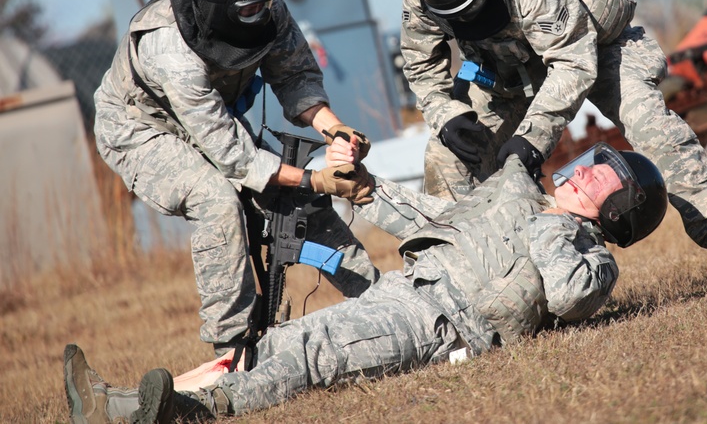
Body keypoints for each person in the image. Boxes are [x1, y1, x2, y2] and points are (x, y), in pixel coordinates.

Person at [64, 142, 668, 422]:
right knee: (273, 345)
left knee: (314, 357)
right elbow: (434, 224)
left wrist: (556, 222)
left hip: (442, 323)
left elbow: (566, 296)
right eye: (592, 166)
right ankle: (116, 407)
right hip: (407, 289)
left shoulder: (591, 259)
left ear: (620, 214)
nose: (584, 175)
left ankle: (194, 412)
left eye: (601, 183)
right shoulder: (523, 201)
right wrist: (368, 188)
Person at [400, 0, 707, 296]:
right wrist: (447, 115)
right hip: (507, 69)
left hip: (595, 47)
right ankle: (462, 288)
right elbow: (420, 63)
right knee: (446, 155)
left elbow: (573, 64)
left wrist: (531, 138)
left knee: (654, 126)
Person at [93, 0, 379, 357]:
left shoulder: (266, 7)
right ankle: (231, 349)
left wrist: (335, 131)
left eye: (265, 5)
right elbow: (233, 157)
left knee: (296, 200)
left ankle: (379, 301)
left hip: (211, 119)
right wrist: (318, 179)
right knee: (216, 200)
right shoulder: (168, 46)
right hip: (139, 128)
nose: (260, 14)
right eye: (249, 10)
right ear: (218, 8)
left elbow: (294, 75)